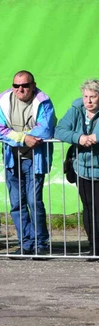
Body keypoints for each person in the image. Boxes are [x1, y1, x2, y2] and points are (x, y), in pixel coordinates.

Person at [0, 71, 57, 256]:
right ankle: (25, 242)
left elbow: (44, 130)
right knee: (16, 203)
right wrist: (23, 137)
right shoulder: (3, 101)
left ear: (33, 85)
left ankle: (40, 242)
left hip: (34, 159)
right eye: (16, 86)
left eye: (25, 85)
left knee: (33, 201)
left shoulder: (43, 102)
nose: (20, 89)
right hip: (12, 159)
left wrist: (18, 135)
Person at [55, 80, 99, 256]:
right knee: (88, 208)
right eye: (86, 96)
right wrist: (79, 137)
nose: (88, 101)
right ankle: (94, 246)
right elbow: (59, 130)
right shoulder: (76, 109)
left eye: (93, 97)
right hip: (82, 168)